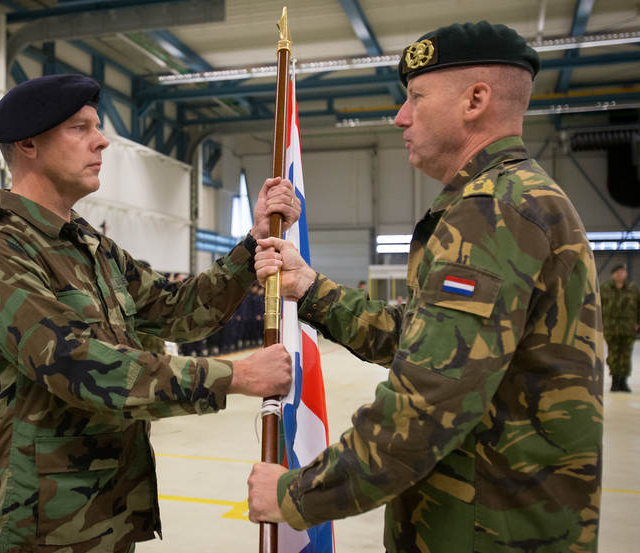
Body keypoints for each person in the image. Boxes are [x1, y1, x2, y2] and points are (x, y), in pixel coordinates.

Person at [247, 21, 603, 553]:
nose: (401, 116)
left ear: (475, 100)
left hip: (484, 531)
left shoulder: (493, 210)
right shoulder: (515, 197)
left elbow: (428, 402)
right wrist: (312, 288)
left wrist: (296, 494)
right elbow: (423, 341)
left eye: (416, 97)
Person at [0, 73, 298, 553]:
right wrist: (234, 376)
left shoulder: (90, 245)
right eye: (80, 128)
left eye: (97, 127)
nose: (102, 141)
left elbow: (179, 310)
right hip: (41, 523)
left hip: (108, 511)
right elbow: (72, 363)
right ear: (28, 144)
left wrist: (253, 243)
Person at [601, 263, 640, 392]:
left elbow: (639, 307)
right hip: (611, 328)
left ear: (626, 274)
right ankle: (615, 381)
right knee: (613, 355)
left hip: (628, 328)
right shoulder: (605, 288)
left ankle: (623, 382)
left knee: (625, 356)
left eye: (622, 272)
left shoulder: (633, 289)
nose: (620, 274)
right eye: (617, 272)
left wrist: (637, 323)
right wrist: (600, 323)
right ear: (613, 275)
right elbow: (598, 306)